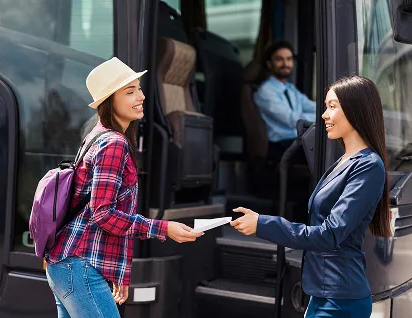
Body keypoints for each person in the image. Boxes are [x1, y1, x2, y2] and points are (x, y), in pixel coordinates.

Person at [45, 57, 203, 318]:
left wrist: (118, 273)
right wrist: (164, 228)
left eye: (139, 88)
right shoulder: (113, 144)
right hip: (80, 266)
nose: (140, 96)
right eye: (129, 92)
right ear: (109, 101)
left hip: (71, 264)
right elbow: (103, 214)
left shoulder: (97, 136)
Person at [231, 75, 392, 317]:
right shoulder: (343, 162)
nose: (324, 115)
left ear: (355, 109)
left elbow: (330, 234)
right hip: (322, 294)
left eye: (332, 107)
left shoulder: (368, 166)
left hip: (340, 299)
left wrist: (263, 224)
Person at [254, 40, 316, 162]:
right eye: (279, 59)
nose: (285, 63)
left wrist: (332, 107)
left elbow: (311, 106)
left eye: (289, 59)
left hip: (295, 142)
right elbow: (292, 120)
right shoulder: (265, 91)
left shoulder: (290, 89)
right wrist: (324, 117)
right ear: (270, 64)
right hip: (280, 146)